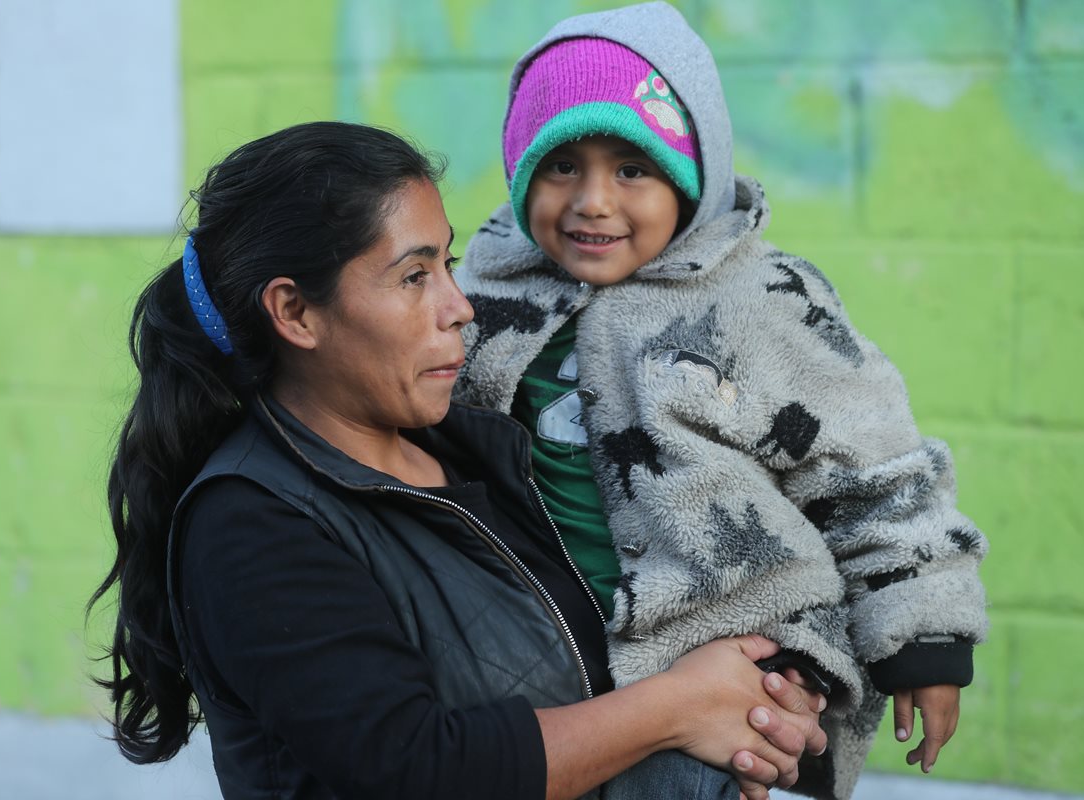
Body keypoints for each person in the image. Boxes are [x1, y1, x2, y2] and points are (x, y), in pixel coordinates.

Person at [87, 120, 829, 800]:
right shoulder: (250, 523)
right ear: (295, 313)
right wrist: (672, 709)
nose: (459, 305)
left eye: (448, 263)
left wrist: (750, 706)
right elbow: (418, 768)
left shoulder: (478, 448)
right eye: (414, 277)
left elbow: (595, 663)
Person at [453, 4, 990, 800]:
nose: (592, 200)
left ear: (694, 176)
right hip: (546, 652)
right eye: (561, 166)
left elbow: (873, 467)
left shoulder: (762, 301)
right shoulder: (485, 299)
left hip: (747, 652)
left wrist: (924, 638)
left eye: (632, 168)